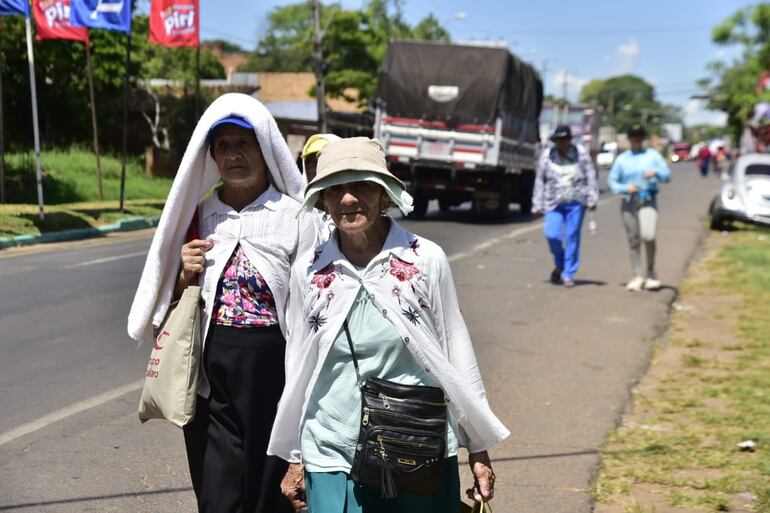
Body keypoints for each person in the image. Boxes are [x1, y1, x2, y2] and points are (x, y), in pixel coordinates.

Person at [268, 137, 509, 513]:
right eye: (335, 190)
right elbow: (299, 365)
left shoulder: (425, 260)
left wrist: (477, 446)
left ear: (384, 195)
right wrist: (296, 456)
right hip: (331, 446)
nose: (348, 199)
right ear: (323, 201)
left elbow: (455, 348)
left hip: (415, 441)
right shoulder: (309, 271)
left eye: (361, 185)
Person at [128, 93, 317, 513]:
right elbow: (172, 299)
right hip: (212, 368)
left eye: (243, 144)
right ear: (212, 155)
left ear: (265, 150)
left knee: (271, 490)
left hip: (275, 368)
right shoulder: (199, 214)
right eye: (224, 146)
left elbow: (311, 304)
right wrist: (182, 274)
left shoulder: (296, 215)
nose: (233, 155)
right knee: (217, 490)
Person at [531, 125, 599, 288]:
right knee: (552, 234)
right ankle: (560, 263)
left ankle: (568, 272)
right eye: (559, 140)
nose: (562, 143)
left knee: (572, 237)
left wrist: (592, 199)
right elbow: (540, 179)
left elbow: (590, 175)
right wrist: (536, 204)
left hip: (576, 202)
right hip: (553, 202)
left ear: (570, 140)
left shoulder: (580, 153)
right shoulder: (548, 155)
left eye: (565, 139)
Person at [608, 124, 671, 292]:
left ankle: (651, 272)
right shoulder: (622, 159)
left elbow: (667, 175)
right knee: (633, 240)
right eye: (633, 136)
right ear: (629, 139)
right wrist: (624, 188)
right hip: (629, 202)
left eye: (639, 136)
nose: (636, 139)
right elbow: (612, 181)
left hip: (647, 199)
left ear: (643, 138)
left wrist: (655, 173)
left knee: (648, 235)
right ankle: (637, 274)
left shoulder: (652, 155)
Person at [302, 133, 341, 242]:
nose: (318, 169)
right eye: (312, 164)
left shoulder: (353, 206)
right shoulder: (295, 209)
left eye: (323, 161)